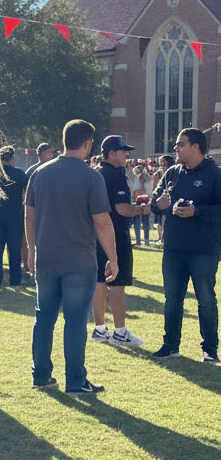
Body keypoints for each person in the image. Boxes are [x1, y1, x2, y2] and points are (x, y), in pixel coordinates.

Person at [25, 118, 117, 394]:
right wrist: (113, 257)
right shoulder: (91, 176)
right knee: (75, 321)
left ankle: (41, 375)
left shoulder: (39, 173)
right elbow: (102, 222)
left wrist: (30, 250)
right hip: (79, 259)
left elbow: (29, 216)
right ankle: (75, 380)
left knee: (44, 318)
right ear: (87, 144)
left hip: (47, 257)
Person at [151, 128, 221, 363]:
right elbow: (154, 201)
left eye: (180, 144)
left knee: (205, 299)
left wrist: (196, 211)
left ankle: (210, 349)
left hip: (204, 249)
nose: (176, 149)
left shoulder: (215, 174)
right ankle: (170, 345)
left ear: (196, 147)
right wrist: (158, 204)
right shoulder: (171, 173)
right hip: (173, 249)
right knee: (172, 299)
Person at [90, 135, 150, 348]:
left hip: (95, 234)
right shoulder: (115, 175)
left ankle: (99, 329)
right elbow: (122, 208)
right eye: (123, 150)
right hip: (114, 234)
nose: (127, 154)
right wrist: (143, 208)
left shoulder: (95, 171)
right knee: (117, 283)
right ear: (111, 153)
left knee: (99, 281)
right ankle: (120, 331)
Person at [0, 146, 27, 287]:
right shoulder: (20, 174)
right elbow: (27, 193)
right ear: (12, 158)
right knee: (14, 249)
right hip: (15, 216)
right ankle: (15, 280)